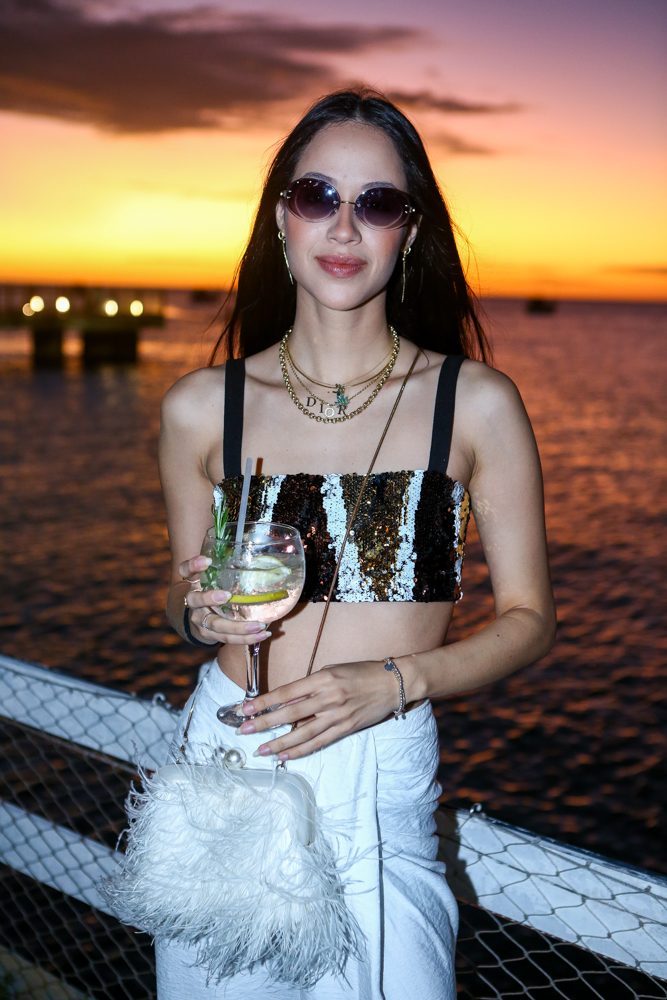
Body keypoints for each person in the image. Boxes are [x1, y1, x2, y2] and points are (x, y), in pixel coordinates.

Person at [157, 89, 556, 999]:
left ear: (409, 231)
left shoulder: (475, 403)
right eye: (317, 196)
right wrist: (195, 612)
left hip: (381, 760)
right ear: (280, 219)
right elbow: (174, 594)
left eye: (376, 203)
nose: (343, 227)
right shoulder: (199, 408)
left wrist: (395, 682)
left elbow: (531, 619)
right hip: (230, 750)